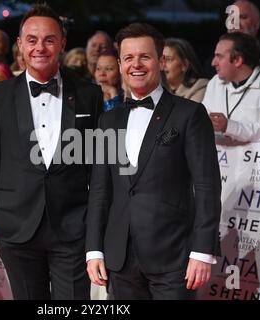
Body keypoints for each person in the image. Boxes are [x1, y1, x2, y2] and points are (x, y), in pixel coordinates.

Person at [0, 3, 103, 300]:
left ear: (62, 43)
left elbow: (98, 167)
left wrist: (93, 222)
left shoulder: (88, 95)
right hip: (15, 227)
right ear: (20, 44)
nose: (40, 47)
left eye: (49, 39)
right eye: (32, 40)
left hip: (73, 227)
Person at [86, 23, 221, 300]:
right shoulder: (108, 120)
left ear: (160, 61)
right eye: (128, 58)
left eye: (144, 57)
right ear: (121, 65)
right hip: (119, 257)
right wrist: (94, 249)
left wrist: (202, 251)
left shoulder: (190, 114)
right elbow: (100, 190)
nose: (136, 64)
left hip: (174, 256)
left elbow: (207, 186)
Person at [202, 32, 260, 146]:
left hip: (254, 162)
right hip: (219, 159)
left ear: (237, 60)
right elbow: (203, 119)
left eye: (219, 56)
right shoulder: (215, 82)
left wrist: (228, 126)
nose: (213, 63)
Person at [162, 38, 208, 103]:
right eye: (161, 59)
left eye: (168, 59)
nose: (163, 64)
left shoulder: (200, 86)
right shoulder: (158, 89)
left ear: (185, 65)